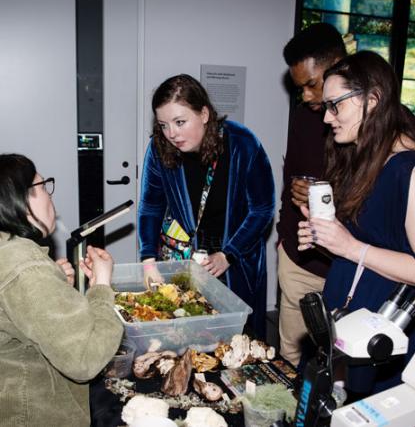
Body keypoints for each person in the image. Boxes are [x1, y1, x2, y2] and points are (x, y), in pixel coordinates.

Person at [297, 50, 415, 396]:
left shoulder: (407, 169)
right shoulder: (367, 157)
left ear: (373, 99)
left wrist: (349, 246)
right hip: (349, 335)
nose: (326, 118)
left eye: (335, 105)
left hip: (381, 338)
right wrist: (328, 238)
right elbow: (376, 242)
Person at [138, 74, 275, 338]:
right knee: (181, 336)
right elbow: (151, 206)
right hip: (182, 258)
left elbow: (262, 209)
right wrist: (148, 260)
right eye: (163, 125)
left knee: (233, 340)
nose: (171, 134)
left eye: (180, 122)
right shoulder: (158, 148)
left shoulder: (242, 143)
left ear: (204, 113)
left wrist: (228, 254)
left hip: (234, 260)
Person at [0, 154, 124, 426]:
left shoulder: (8, 251)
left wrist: (55, 289)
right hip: (33, 413)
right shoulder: (25, 267)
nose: (49, 196)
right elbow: (85, 359)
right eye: (43, 186)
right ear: (19, 199)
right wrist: (102, 286)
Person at [277, 23, 347, 366]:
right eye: (298, 87)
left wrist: (326, 194)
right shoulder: (305, 117)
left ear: (338, 66)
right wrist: (283, 237)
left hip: (346, 269)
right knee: (290, 357)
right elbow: (289, 178)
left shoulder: (380, 124)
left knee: (339, 365)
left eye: (310, 84)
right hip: (299, 261)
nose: (305, 96)